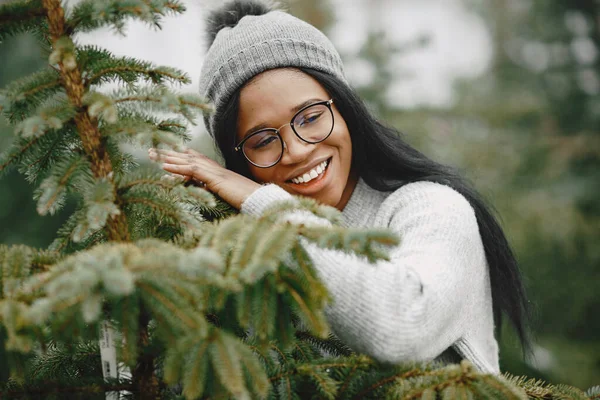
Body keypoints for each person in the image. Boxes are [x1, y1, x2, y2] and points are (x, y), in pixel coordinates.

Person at [148, 0, 530, 374]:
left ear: (346, 108)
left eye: (311, 117)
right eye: (262, 141)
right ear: (239, 161)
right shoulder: (245, 256)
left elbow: (401, 328)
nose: (297, 151)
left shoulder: (433, 209)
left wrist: (263, 202)